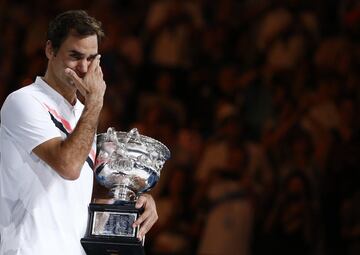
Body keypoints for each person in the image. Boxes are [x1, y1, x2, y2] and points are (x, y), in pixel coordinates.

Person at [0, 10, 158, 255]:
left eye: (91, 58)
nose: (83, 68)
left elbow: (75, 196)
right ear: (50, 50)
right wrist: (95, 102)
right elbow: (68, 166)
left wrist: (132, 202)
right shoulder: (24, 101)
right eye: (74, 56)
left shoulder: (83, 113)